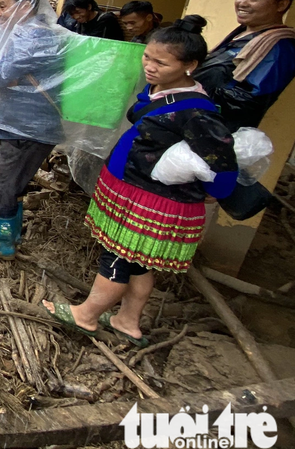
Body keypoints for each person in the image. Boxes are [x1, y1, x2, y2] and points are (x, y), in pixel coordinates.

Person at [43, 17, 238, 346]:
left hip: (149, 199)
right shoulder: (160, 90)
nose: (149, 66)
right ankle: (127, 321)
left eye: (161, 62)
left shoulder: (197, 111)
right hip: (132, 186)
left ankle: (86, 316)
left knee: (116, 258)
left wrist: (216, 192)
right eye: (147, 57)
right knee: (137, 264)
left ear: (190, 65)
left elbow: (223, 158)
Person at [0, 0, 64, 258]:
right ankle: (8, 231)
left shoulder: (33, 38)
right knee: (13, 184)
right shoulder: (33, 33)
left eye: (2, 6)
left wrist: (5, 76)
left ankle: (3, 243)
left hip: (28, 129)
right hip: (27, 124)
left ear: (25, 6)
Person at [193, 0, 295, 131]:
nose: (243, 3)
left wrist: (188, 88)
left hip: (213, 132)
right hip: (192, 120)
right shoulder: (243, 33)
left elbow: (247, 103)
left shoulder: (281, 47)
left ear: (282, 5)